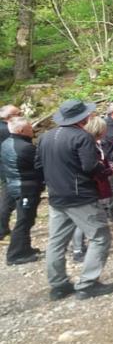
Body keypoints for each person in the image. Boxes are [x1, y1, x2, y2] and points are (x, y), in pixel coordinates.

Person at [36, 99, 113, 301]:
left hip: (56, 196)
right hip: (80, 196)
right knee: (99, 236)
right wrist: (107, 169)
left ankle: (58, 285)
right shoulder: (82, 137)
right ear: (83, 117)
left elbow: (38, 165)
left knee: (56, 241)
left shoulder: (46, 136)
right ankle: (87, 283)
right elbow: (89, 166)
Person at [72, 117, 113, 263]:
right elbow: (91, 166)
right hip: (91, 185)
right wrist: (107, 170)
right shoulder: (88, 144)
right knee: (84, 220)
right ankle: (78, 249)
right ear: (99, 129)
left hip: (95, 184)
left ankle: (81, 246)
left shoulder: (95, 143)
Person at [1, 117, 43, 265]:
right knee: (24, 220)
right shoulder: (26, 148)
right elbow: (39, 166)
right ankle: (15, 255)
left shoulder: (6, 143)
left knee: (27, 219)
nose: (32, 130)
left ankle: (25, 248)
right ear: (20, 130)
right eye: (29, 128)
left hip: (15, 184)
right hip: (25, 187)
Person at [0, 104, 22, 242]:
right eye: (18, 114)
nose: (21, 116)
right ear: (9, 117)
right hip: (9, 169)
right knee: (8, 198)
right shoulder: (5, 130)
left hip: (5, 168)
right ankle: (2, 229)